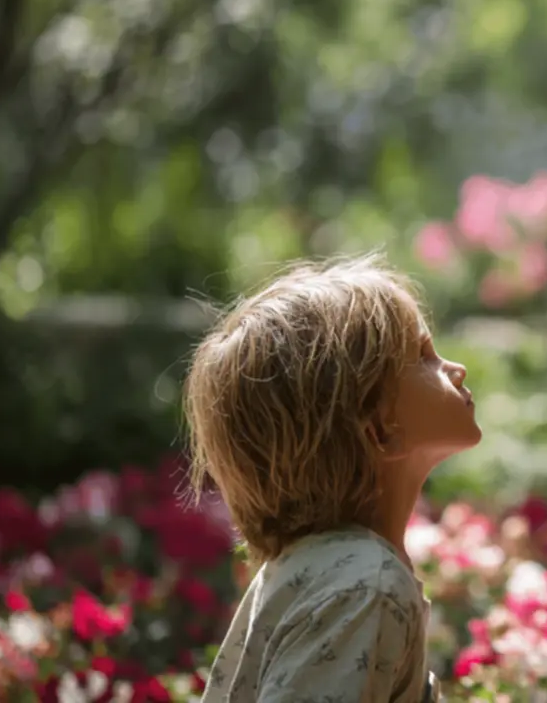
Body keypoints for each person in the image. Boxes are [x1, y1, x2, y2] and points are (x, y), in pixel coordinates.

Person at [183, 254, 482, 701]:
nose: (454, 368)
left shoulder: (322, 566)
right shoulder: (366, 584)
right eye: (422, 357)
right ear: (378, 429)